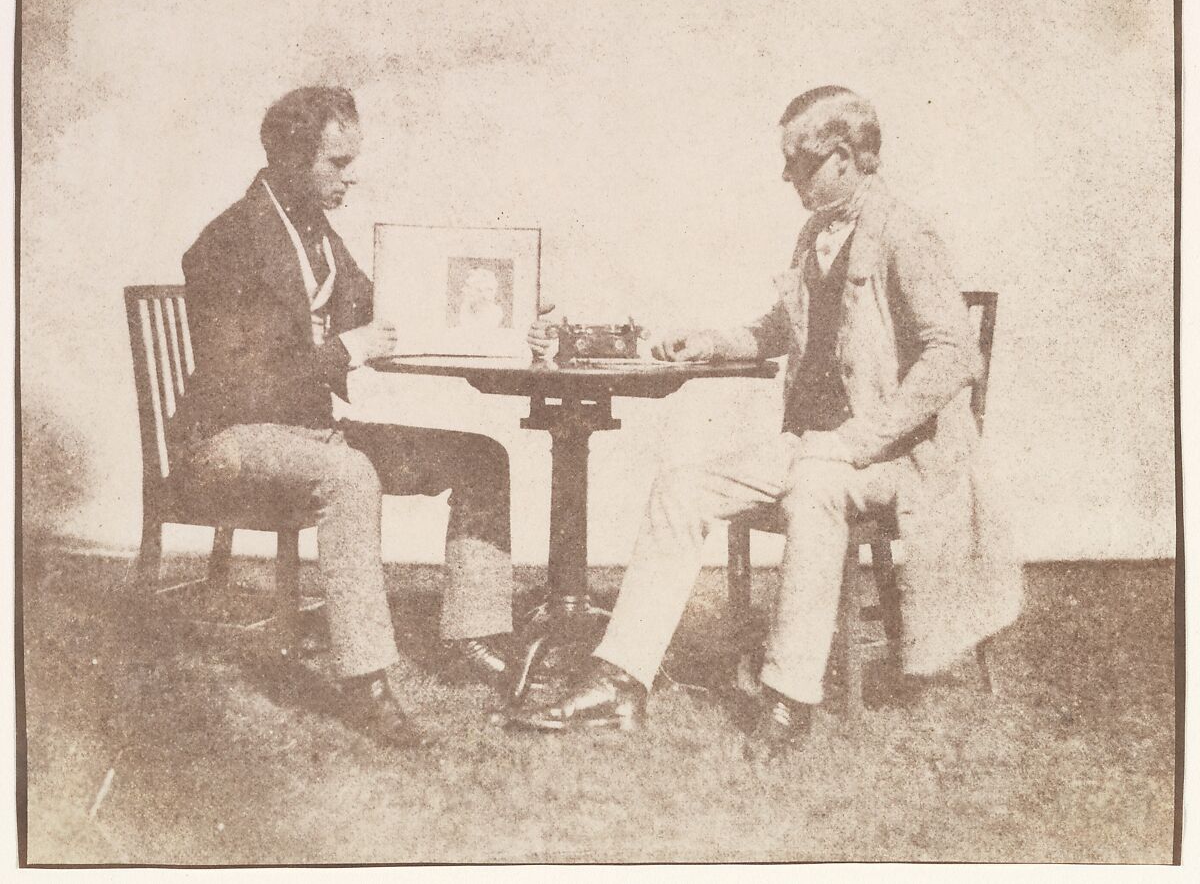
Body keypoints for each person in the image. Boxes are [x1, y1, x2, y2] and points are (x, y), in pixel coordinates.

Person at [521, 86, 1022, 760]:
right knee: (681, 485)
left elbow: (953, 354)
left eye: (799, 161)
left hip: (900, 458)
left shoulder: (905, 232)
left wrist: (858, 439)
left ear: (843, 157)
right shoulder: (815, 232)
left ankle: (789, 697)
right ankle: (620, 682)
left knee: (816, 482)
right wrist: (712, 341)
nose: (787, 175)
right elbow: (785, 327)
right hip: (816, 444)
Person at [174, 86, 513, 749]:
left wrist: (509, 314)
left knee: (479, 456)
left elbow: (389, 307)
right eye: (336, 162)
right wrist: (344, 349)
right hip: (226, 439)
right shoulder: (224, 242)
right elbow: (236, 380)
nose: (348, 176)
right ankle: (367, 682)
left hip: (307, 430)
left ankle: (474, 635)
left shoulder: (319, 235)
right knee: (350, 473)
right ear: (290, 158)